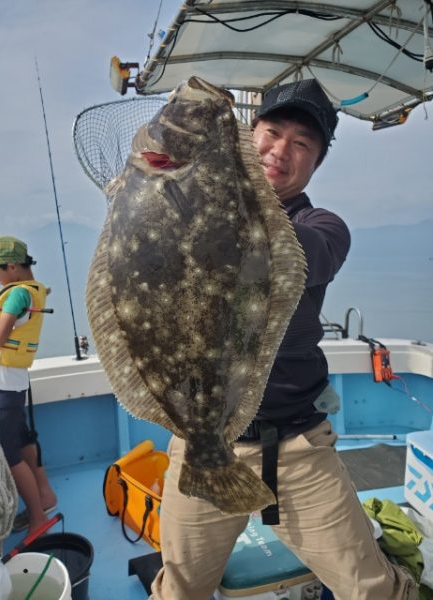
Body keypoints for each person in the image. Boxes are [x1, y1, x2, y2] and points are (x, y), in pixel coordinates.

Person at [150, 80, 417, 599]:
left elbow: (300, 255)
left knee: (372, 591)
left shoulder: (322, 227)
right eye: (272, 133)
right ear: (249, 139)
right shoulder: (188, 207)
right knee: (179, 591)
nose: (281, 151)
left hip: (298, 448)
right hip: (204, 443)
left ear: (316, 163)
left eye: (302, 144)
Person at [0, 236, 57, 535]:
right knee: (24, 439)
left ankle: (38, 520)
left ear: (12, 267)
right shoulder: (26, 292)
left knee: (8, 452)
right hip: (12, 381)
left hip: (1, 383)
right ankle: (46, 495)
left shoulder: (16, 295)